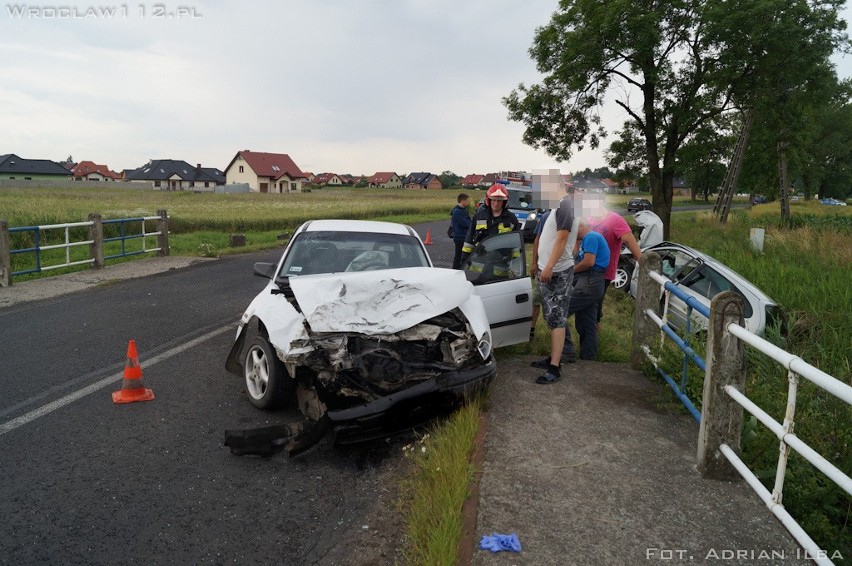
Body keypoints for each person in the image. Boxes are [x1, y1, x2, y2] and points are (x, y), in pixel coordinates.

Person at [530, 189, 578, 385]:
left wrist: (549, 266)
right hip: (549, 270)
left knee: (557, 318)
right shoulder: (556, 207)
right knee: (551, 316)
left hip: (557, 272)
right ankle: (553, 358)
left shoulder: (565, 204)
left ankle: (555, 368)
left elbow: (562, 238)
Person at [582, 194, 642, 325]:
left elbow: (631, 242)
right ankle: (590, 339)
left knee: (594, 310)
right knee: (587, 309)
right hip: (586, 268)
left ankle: (594, 341)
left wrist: (643, 264)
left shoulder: (616, 220)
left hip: (603, 272)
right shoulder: (588, 219)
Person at [562, 220, 610, 361]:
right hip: (593, 283)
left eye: (573, 231)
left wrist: (569, 272)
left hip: (589, 282)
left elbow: (589, 262)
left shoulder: (591, 237)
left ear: (581, 226)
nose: (572, 235)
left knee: (560, 311)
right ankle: (588, 358)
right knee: (587, 323)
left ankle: (566, 351)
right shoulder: (589, 238)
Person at [460, 184, 520, 264]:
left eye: (499, 201)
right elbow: (469, 240)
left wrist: (515, 262)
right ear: (489, 200)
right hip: (479, 261)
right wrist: (463, 261)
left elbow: (516, 243)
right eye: (494, 200)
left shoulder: (511, 219)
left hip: (501, 264)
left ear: (504, 202)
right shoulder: (479, 216)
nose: (496, 203)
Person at [528, 209, 550, 341]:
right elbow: (537, 240)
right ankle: (531, 329)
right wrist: (534, 263)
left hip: (561, 269)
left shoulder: (574, 217)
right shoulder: (546, 217)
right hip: (542, 266)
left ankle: (556, 333)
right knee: (536, 299)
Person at [450, 193, 472, 269]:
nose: (468, 202)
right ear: (462, 201)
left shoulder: (464, 210)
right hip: (459, 236)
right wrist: (470, 222)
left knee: (463, 255)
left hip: (464, 235)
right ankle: (455, 269)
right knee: (458, 255)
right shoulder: (457, 212)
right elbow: (465, 223)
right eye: (467, 201)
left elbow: (469, 221)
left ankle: (460, 268)